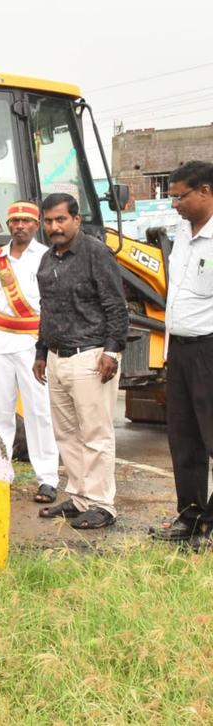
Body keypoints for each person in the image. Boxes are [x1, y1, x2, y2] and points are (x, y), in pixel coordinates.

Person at [33, 192, 128, 530]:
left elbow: (116, 306)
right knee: (67, 435)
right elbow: (47, 309)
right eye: (48, 221)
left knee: (96, 434)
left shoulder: (95, 253)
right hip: (57, 358)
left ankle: (103, 505)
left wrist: (112, 351)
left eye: (60, 219)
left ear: (76, 219)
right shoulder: (47, 259)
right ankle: (79, 498)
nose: (54, 226)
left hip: (90, 357)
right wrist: (41, 352)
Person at [0, 201, 60, 502]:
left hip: (33, 342)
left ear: (36, 225)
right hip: (1, 339)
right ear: (8, 224)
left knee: (39, 411)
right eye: (14, 220)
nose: (20, 226)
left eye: (26, 221)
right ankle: (2, 472)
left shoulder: (46, 256)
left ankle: (48, 478)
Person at [151, 161, 213, 543]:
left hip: (210, 349)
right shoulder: (181, 233)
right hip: (182, 352)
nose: (173, 203)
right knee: (184, 439)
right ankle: (189, 518)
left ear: (205, 191)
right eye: (171, 195)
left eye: (179, 195)